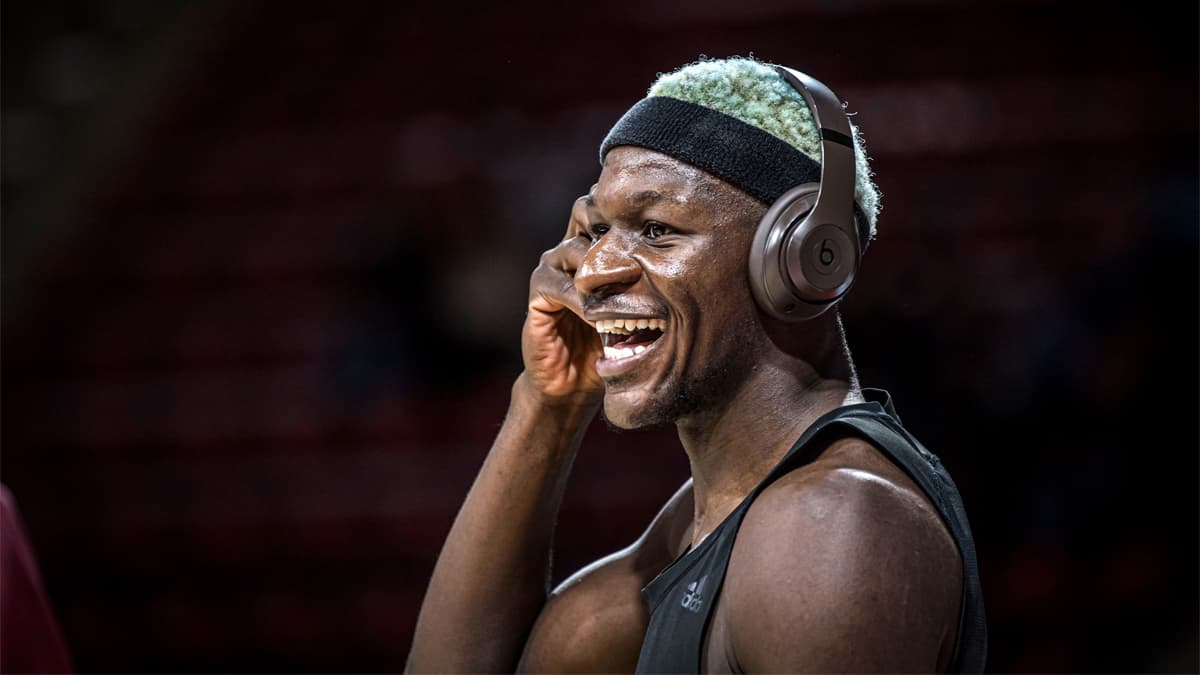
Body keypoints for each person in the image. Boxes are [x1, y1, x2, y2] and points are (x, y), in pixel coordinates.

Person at [406, 56, 986, 673]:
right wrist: (548, 403)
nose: (593, 271)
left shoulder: (828, 525)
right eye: (598, 232)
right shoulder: (699, 525)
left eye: (655, 230)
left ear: (802, 259)